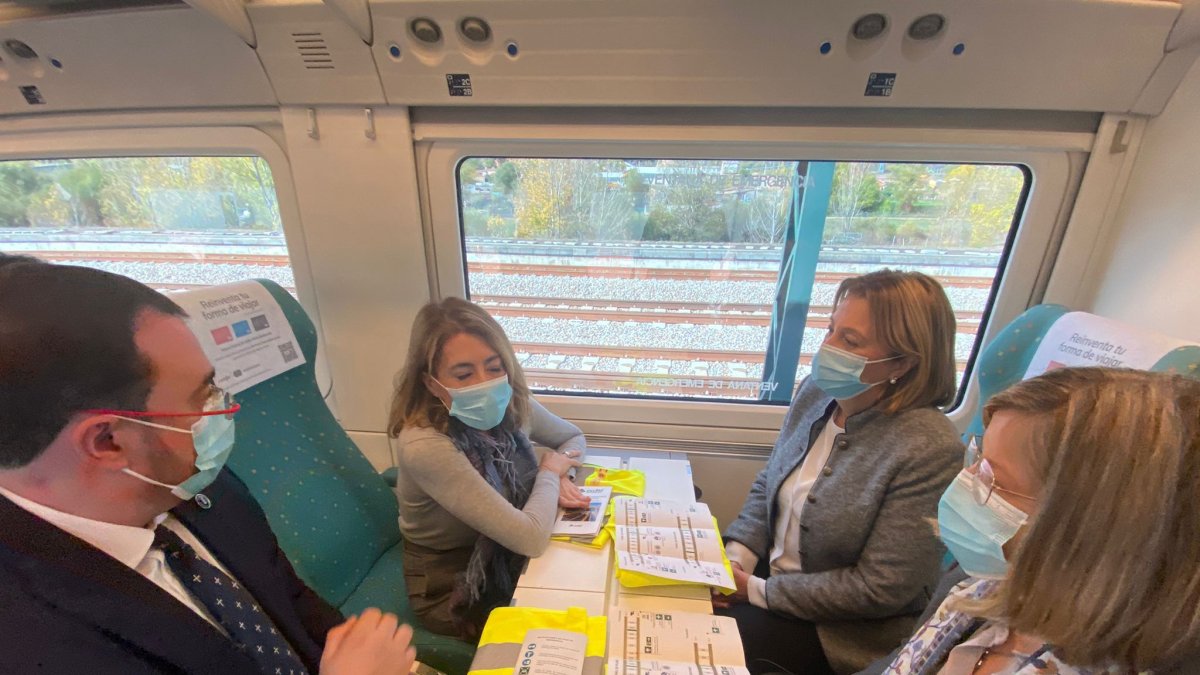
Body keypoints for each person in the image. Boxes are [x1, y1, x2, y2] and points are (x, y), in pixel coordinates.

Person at [0, 257, 416, 675]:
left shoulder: (202, 487)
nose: (224, 408)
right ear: (109, 441)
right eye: (203, 395)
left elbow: (293, 606)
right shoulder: (33, 643)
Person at [867, 367, 1200, 674]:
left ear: (1088, 526)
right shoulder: (986, 585)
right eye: (978, 458)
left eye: (992, 477)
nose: (965, 483)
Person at [719, 269, 963, 675]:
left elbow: (881, 588)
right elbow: (770, 482)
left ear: (901, 362)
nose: (827, 347)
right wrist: (735, 561)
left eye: (849, 341)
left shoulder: (928, 448)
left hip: (839, 631)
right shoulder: (817, 392)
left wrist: (755, 590)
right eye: (831, 329)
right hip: (766, 585)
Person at [388, 297, 589, 641]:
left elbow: (571, 437)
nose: (485, 382)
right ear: (431, 383)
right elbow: (529, 538)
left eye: (494, 368)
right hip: (453, 583)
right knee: (568, 632)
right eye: (464, 374)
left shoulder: (509, 402)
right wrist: (549, 476)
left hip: (509, 552)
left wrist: (562, 474)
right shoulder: (426, 444)